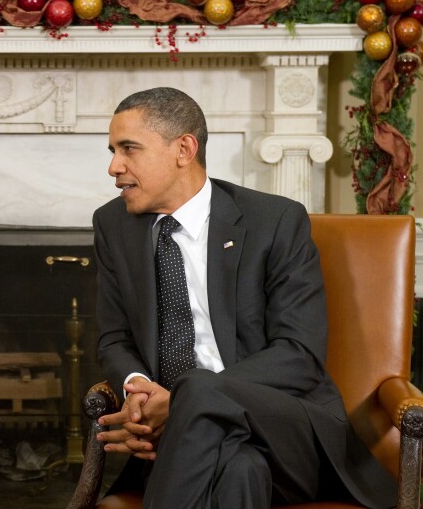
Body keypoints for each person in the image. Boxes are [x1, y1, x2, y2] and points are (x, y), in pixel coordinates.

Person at [93, 87, 396, 508]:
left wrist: (181, 401)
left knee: (196, 390)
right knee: (240, 470)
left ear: (184, 149)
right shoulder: (114, 225)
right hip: (187, 444)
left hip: (285, 429)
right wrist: (139, 390)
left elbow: (299, 355)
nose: (114, 166)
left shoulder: (274, 221)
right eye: (112, 150)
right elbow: (114, 338)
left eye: (129, 149)